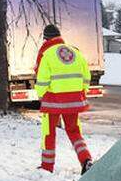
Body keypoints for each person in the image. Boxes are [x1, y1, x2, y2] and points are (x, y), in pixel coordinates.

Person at [34, 24, 93, 173]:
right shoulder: (75, 52)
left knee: (49, 132)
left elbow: (42, 80)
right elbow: (86, 76)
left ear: (46, 39)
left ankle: (47, 166)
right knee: (74, 131)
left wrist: (41, 96)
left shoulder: (46, 54)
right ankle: (86, 160)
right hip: (74, 100)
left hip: (53, 102)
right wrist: (81, 93)